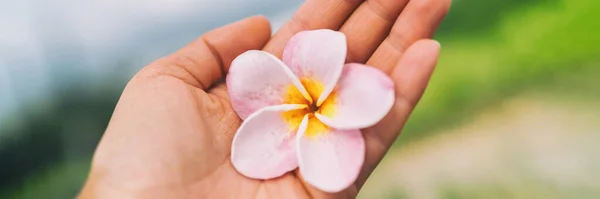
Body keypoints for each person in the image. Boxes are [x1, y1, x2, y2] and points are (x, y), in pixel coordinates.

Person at [77, 0, 451, 198]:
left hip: (317, 100)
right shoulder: (268, 88)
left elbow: (370, 89)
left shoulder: (324, 63)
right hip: (302, 109)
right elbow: (251, 147)